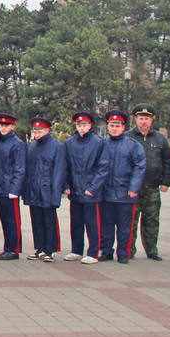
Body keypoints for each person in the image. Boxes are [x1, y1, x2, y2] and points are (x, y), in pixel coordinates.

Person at [125, 104, 170, 261]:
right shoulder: (127, 137)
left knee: (151, 220)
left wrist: (165, 181)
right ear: (135, 119)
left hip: (152, 187)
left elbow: (167, 161)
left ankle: (152, 250)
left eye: (146, 118)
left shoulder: (160, 138)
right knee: (131, 220)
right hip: (132, 188)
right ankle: (128, 249)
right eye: (140, 118)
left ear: (152, 120)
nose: (143, 121)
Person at [99, 110, 146, 264]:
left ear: (123, 127)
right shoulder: (102, 144)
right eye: (111, 126)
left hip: (125, 193)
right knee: (106, 225)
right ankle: (106, 251)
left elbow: (139, 167)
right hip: (106, 193)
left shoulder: (133, 145)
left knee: (125, 226)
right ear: (107, 127)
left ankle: (123, 252)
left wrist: (134, 188)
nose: (114, 129)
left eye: (117, 126)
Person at [63, 111, 108, 264]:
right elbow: (65, 166)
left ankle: (93, 252)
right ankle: (76, 250)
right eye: (79, 125)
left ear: (90, 125)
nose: (81, 128)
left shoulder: (99, 142)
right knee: (76, 222)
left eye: (84, 125)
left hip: (91, 191)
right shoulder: (70, 142)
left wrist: (93, 188)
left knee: (92, 223)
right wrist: (66, 185)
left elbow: (103, 168)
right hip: (75, 189)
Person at [23, 116, 67, 262]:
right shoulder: (31, 146)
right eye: (35, 131)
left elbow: (59, 171)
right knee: (36, 220)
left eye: (40, 131)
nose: (37, 134)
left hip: (48, 189)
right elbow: (28, 169)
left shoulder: (56, 146)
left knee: (49, 220)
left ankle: (50, 249)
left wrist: (56, 193)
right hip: (34, 188)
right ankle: (39, 248)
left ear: (47, 130)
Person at [0, 113, 26, 260]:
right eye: (1, 125)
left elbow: (20, 168)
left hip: (10, 187)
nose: (3, 128)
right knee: (4, 219)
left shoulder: (17, 144)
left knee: (12, 220)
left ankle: (14, 249)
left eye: (7, 125)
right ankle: (7, 247)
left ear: (12, 126)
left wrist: (15, 189)